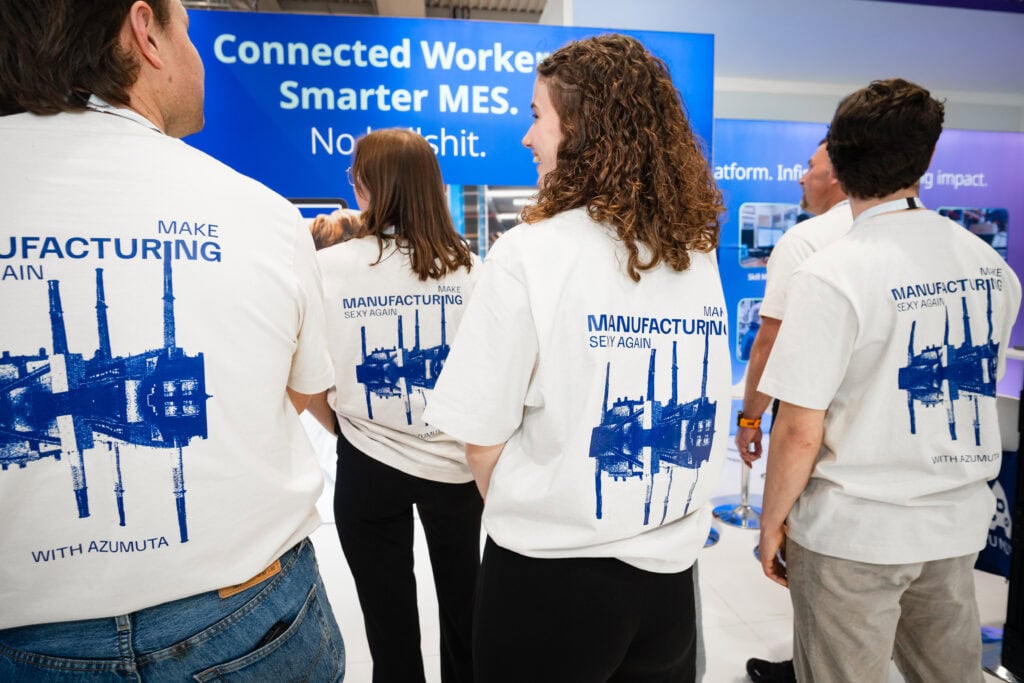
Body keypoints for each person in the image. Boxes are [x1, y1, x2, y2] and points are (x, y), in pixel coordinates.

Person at [0, 2, 344, 681]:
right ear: (144, 32)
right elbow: (304, 392)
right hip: (249, 621)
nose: (198, 55)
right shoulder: (261, 213)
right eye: (186, 27)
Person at [423, 33, 730, 682]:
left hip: (548, 582)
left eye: (538, 115)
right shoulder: (694, 255)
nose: (528, 138)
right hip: (670, 580)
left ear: (586, 130)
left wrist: (543, 502)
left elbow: (479, 438)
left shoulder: (530, 253)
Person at [758, 78, 1021, 683]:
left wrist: (773, 522)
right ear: (926, 158)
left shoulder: (831, 274)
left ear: (841, 165)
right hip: (954, 524)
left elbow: (800, 428)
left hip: (855, 532)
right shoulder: (990, 266)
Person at [307, 128, 482, 683]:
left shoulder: (327, 270)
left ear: (367, 186)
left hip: (365, 462)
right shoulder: (471, 270)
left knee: (388, 630)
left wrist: (349, 427)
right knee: (466, 618)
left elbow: (307, 377)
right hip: (456, 464)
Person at [736, 140, 850, 683]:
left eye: (809, 167)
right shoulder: (942, 243)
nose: (801, 177)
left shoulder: (807, 242)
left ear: (836, 175)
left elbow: (770, 340)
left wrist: (750, 417)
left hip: (826, 459)